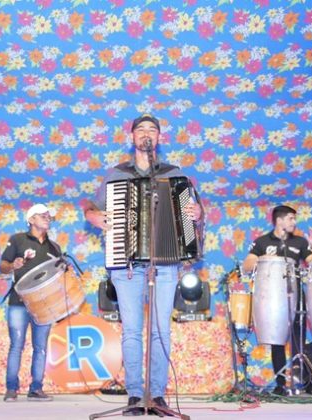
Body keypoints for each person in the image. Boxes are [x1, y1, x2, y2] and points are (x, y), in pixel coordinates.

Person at [83, 114, 203, 416]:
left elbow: (194, 211)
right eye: (141, 129)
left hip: (166, 264)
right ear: (132, 136)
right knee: (132, 331)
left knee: (162, 330)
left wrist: (197, 213)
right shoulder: (117, 175)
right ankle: (136, 394)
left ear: (159, 138)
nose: (146, 133)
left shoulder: (175, 175)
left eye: (152, 129)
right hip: (126, 265)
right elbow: (91, 207)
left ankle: (157, 395)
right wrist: (93, 215)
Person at [241, 204, 312, 396]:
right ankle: (280, 384)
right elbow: (247, 265)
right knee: (277, 341)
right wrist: (262, 258)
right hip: (273, 298)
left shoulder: (299, 242)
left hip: (296, 296)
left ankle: (300, 382)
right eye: (291, 218)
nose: (294, 222)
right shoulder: (262, 242)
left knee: (297, 339)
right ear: (279, 220)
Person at [0, 203, 62, 402]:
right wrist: (12, 265)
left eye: (49, 216)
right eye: (43, 215)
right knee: (16, 345)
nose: (47, 218)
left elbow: (58, 276)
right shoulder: (17, 240)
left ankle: (36, 388)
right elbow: (2, 266)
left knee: (40, 347)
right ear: (31, 219)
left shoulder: (55, 247)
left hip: (44, 305)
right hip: (19, 302)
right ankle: (11, 389)